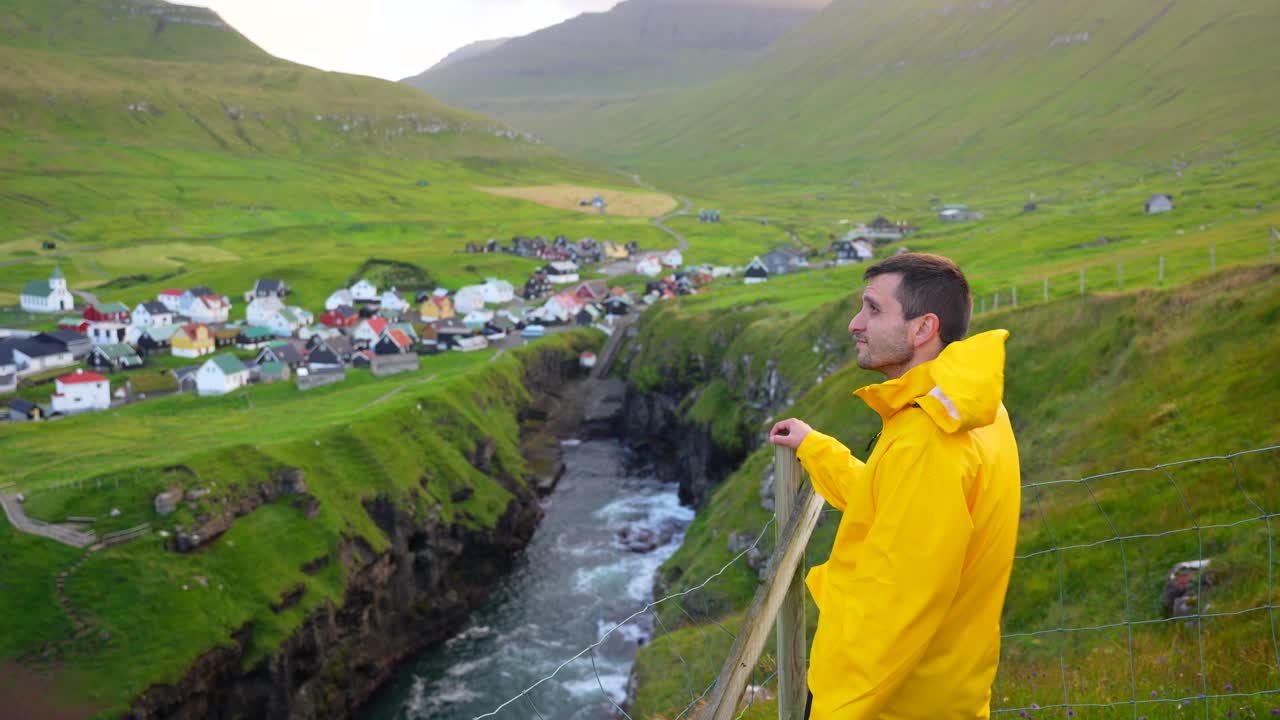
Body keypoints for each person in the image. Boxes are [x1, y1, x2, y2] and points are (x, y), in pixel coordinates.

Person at [769, 253, 1021, 719]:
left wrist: (833, 711)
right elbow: (894, 503)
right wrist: (818, 450)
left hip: (889, 704)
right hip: (940, 692)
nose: (854, 324)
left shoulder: (929, 438)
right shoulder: (967, 411)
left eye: (873, 309)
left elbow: (896, 613)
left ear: (923, 328)